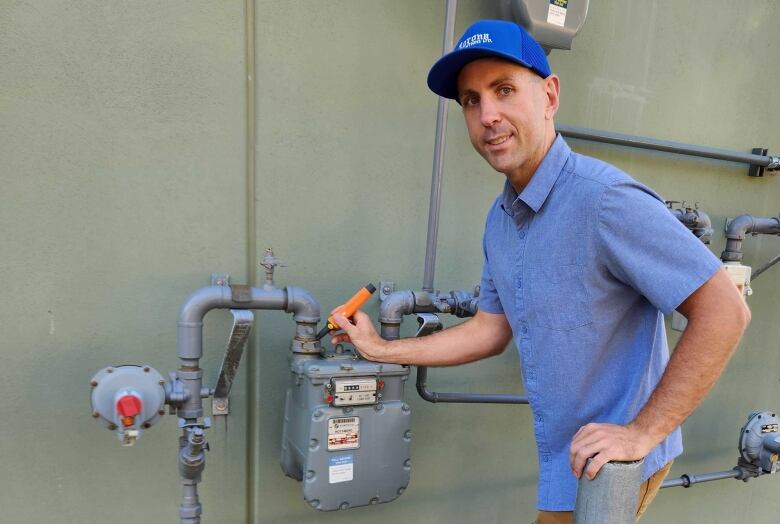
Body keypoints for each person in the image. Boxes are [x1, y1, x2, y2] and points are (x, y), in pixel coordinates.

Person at [329, 19, 750, 524]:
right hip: (564, 461)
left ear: (549, 96)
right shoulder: (501, 219)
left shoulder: (605, 200)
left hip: (610, 464)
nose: (488, 115)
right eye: (471, 100)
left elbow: (726, 310)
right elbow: (490, 330)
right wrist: (382, 349)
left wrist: (642, 432)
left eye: (504, 90)